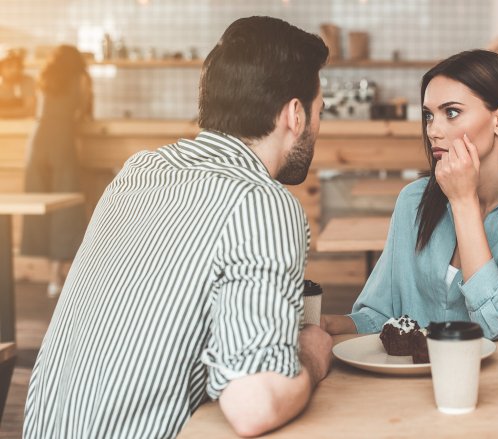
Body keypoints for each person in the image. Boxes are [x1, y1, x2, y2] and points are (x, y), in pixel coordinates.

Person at [24, 17, 332, 438]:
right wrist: (312, 354)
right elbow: (256, 404)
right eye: (319, 112)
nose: (318, 126)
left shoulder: (139, 171)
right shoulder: (261, 201)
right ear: (295, 115)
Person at [322, 50, 498, 340]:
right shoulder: (414, 200)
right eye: (429, 116)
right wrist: (329, 326)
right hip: (419, 379)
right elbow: (381, 315)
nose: (433, 130)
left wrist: (463, 201)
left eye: (452, 112)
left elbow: (494, 320)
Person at [19, 45, 92, 297]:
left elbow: (35, 109)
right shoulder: (80, 78)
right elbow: (83, 112)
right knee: (66, 205)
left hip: (38, 139)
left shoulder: (45, 74)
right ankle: (55, 278)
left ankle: (50, 273)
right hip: (62, 138)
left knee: (39, 201)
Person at [0, 49, 36, 118]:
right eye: (9, 66)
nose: (15, 70)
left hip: (23, 127)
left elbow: (30, 111)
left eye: (18, 67)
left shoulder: (27, 81)